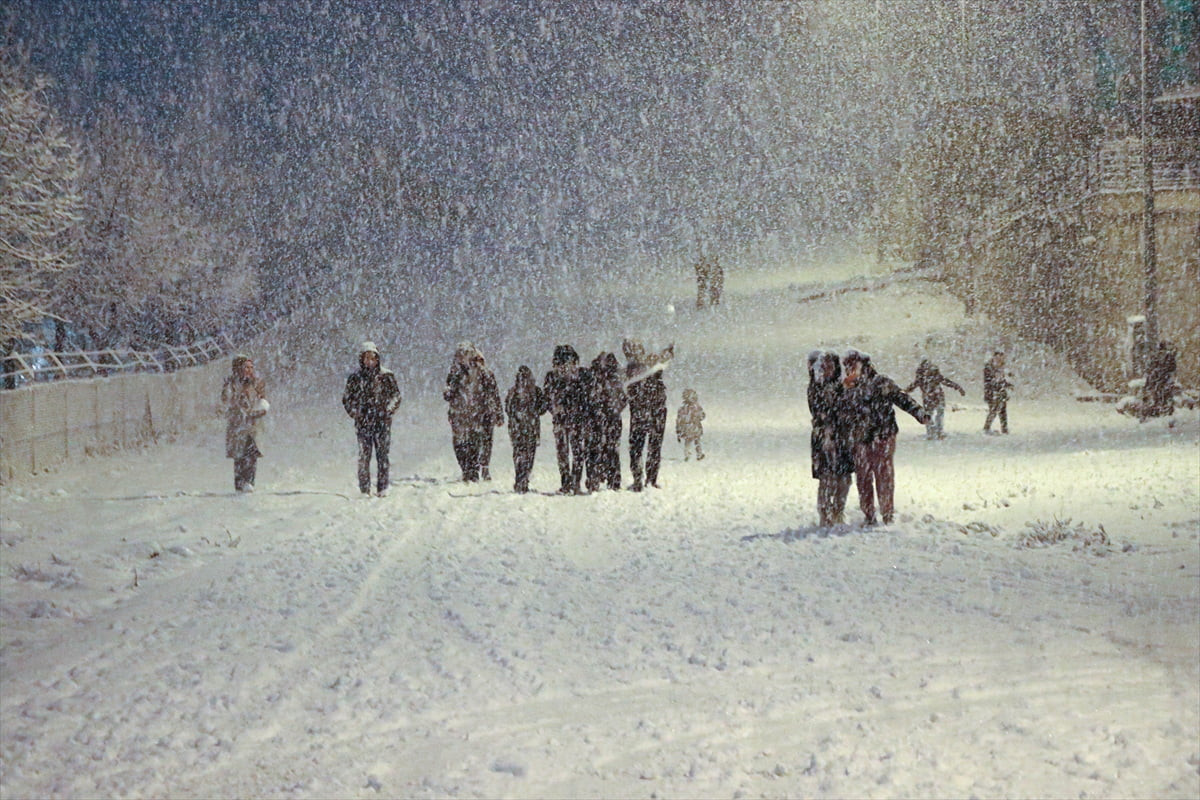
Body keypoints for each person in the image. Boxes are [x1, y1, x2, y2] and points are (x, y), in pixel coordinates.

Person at [841, 349, 928, 526]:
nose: (849, 369)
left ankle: (887, 513)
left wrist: (919, 412)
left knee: (884, 475)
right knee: (863, 476)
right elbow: (842, 413)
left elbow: (901, 398)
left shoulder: (881, 382)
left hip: (883, 435)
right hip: (860, 439)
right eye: (847, 366)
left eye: (852, 365)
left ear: (864, 365)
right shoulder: (848, 387)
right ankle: (869, 515)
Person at [342, 341, 402, 496]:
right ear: (361, 359)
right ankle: (364, 489)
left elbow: (396, 396)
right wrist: (355, 413)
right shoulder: (355, 378)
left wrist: (388, 410)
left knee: (382, 456)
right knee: (364, 456)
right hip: (363, 423)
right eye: (366, 358)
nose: (369, 361)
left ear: (377, 359)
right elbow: (347, 398)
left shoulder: (386, 376)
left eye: (372, 358)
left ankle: (382, 487)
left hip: (382, 422)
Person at [443, 343, 502, 482]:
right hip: (459, 414)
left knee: (475, 442)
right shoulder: (455, 373)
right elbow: (447, 394)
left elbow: (494, 393)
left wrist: (497, 412)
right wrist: (450, 392)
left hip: (478, 414)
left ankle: (474, 470)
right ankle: (467, 469)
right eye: (460, 354)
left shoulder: (484, 373)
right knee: (460, 444)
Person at [808, 351, 852, 526]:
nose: (826, 369)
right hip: (823, 438)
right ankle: (825, 514)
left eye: (829, 365)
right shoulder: (816, 386)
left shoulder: (844, 386)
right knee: (827, 477)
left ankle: (838, 510)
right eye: (823, 365)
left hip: (842, 438)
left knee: (844, 478)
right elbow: (818, 410)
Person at [624, 338, 673, 491]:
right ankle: (638, 479)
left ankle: (651, 479)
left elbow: (665, 358)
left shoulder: (653, 366)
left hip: (655, 412)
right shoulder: (631, 369)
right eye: (633, 349)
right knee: (637, 447)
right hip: (640, 413)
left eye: (638, 348)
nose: (636, 352)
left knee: (654, 447)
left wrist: (669, 348)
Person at [543, 345, 587, 494]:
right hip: (564, 420)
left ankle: (573, 482)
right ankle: (568, 482)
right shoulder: (553, 378)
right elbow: (547, 399)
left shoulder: (579, 377)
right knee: (566, 452)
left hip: (574, 419)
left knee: (575, 452)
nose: (564, 367)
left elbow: (585, 398)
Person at [220, 354, 268, 493]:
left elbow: (262, 400)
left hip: (253, 424)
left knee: (251, 454)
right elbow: (226, 400)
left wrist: (260, 408)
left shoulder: (257, 383)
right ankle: (240, 483)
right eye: (246, 367)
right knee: (239, 455)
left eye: (251, 367)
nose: (249, 370)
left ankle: (249, 481)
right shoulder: (231, 384)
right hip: (238, 424)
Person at [505, 365, 547, 493]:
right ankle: (523, 479)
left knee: (519, 455)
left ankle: (521, 479)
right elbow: (543, 408)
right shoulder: (535, 391)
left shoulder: (514, 392)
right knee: (528, 455)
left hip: (518, 428)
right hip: (530, 428)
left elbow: (508, 409)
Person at [904, 358, 965, 440]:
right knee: (934, 415)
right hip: (934, 398)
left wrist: (958, 388)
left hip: (932, 398)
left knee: (933, 414)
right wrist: (958, 388)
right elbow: (947, 382)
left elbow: (912, 386)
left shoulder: (929, 377)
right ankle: (935, 432)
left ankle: (933, 432)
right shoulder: (926, 377)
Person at [983, 350, 1012, 434]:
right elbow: (990, 381)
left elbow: (1002, 379)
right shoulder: (989, 367)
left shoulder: (1001, 367)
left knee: (1002, 411)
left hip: (1001, 392)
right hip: (992, 392)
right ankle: (987, 427)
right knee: (994, 410)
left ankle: (1004, 428)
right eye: (998, 357)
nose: (1000, 359)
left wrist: (1007, 384)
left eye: (1001, 357)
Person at [675, 388, 706, 461]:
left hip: (686, 427)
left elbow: (679, 419)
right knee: (697, 441)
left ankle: (687, 455)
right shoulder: (696, 407)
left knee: (688, 441)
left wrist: (679, 429)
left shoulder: (682, 408)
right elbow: (701, 416)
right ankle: (699, 454)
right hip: (695, 426)